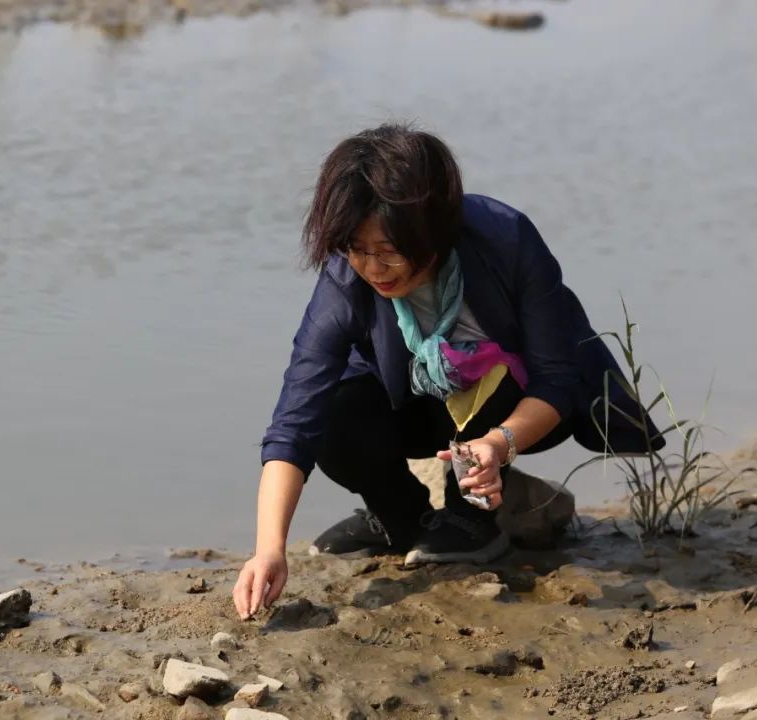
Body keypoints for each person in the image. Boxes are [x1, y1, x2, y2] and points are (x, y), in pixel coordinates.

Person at [232, 123, 660, 620]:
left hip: (520, 407)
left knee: (491, 375)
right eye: (356, 247)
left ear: (434, 225)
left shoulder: (505, 238)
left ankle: (472, 517)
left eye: (388, 249)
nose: (373, 267)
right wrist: (269, 548)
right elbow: (295, 419)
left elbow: (557, 379)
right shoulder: (346, 275)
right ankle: (402, 518)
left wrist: (498, 446)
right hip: (411, 410)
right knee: (335, 411)